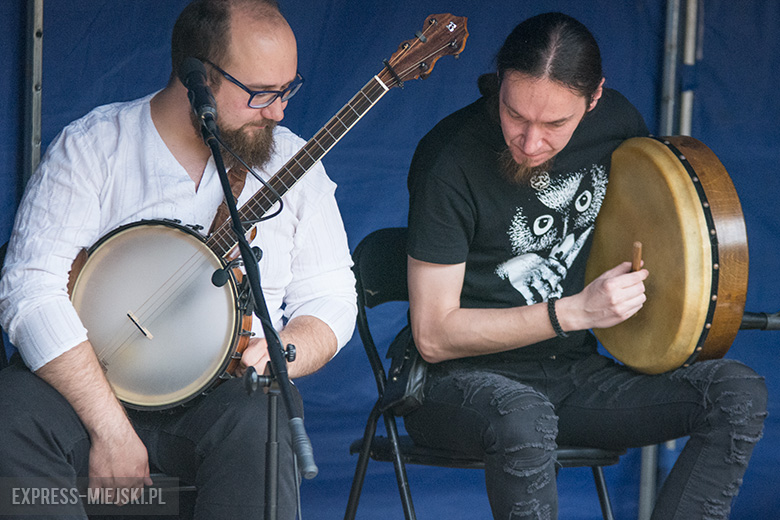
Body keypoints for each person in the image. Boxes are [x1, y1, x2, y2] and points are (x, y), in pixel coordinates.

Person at [402, 12, 767, 520]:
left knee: (736, 393)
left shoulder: (619, 125)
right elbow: (434, 335)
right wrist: (571, 312)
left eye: (555, 124)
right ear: (499, 84)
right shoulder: (450, 159)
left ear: (594, 99)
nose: (530, 143)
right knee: (524, 417)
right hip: (455, 385)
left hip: (571, 375)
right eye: (514, 115)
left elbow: (651, 241)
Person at [0, 0, 356, 518]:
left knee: (265, 415)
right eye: (260, 93)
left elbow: (332, 296)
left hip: (218, 405)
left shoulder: (294, 164)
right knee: (11, 410)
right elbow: (30, 289)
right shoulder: (94, 147)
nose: (278, 111)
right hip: (87, 391)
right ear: (197, 79)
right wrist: (110, 428)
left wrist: (286, 347)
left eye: (287, 90)